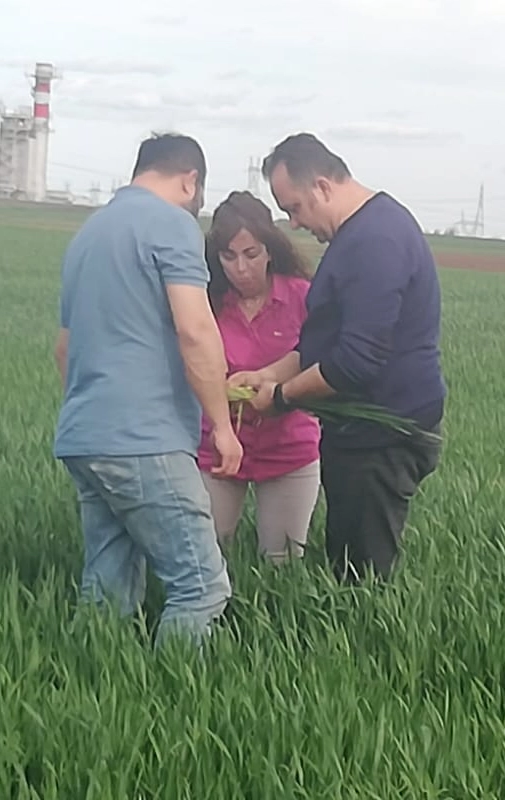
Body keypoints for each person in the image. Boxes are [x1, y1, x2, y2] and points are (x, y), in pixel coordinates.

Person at [52, 132, 242, 650]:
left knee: (107, 587)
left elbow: (64, 349)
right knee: (201, 587)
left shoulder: (89, 234)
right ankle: (172, 693)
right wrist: (222, 426)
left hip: (84, 435)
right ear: (190, 180)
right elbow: (195, 330)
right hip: (145, 439)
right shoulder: (172, 224)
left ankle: (90, 682)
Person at [234, 132, 446, 584]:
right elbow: (326, 344)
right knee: (347, 560)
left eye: (295, 208)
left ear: (323, 187)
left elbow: (355, 361)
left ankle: (371, 632)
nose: (294, 224)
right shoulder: (363, 233)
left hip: (381, 436)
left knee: (362, 576)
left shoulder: (375, 241)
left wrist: (282, 398)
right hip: (361, 433)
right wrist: (268, 374)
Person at [197, 190, 321, 564]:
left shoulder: (303, 296)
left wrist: (270, 382)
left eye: (251, 254)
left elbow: (319, 356)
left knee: (282, 561)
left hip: (290, 446)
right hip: (216, 446)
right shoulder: (205, 301)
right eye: (228, 256)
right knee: (206, 555)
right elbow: (188, 361)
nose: (241, 268)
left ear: (270, 250)